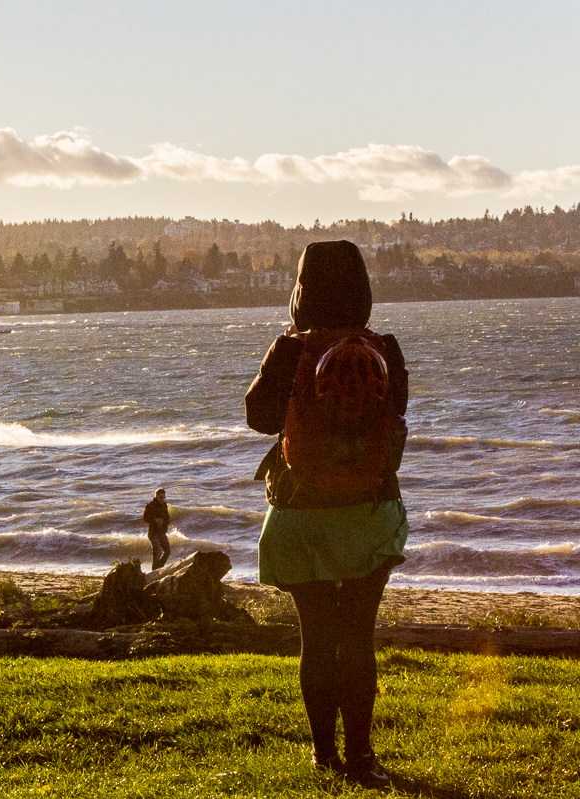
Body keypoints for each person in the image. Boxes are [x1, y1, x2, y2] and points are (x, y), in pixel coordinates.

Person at [244, 240, 408, 790]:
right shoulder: (384, 348)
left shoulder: (290, 349)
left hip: (299, 513)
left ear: (301, 291)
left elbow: (259, 419)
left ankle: (323, 756)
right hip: (368, 512)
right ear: (362, 290)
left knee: (316, 638)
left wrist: (287, 361)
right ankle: (362, 758)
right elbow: (394, 416)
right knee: (358, 635)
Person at [142, 488, 171, 570]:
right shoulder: (150, 505)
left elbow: (167, 518)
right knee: (157, 552)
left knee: (168, 551)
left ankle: (159, 568)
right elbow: (145, 518)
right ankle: (155, 571)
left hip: (162, 532)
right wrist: (155, 520)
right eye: (161, 498)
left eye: (164, 498)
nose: (162, 500)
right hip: (153, 533)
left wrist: (164, 522)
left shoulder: (164, 505)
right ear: (156, 496)